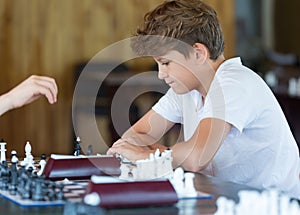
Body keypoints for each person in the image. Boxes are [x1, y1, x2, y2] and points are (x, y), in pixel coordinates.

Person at [107, 0, 300, 198]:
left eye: (165, 63)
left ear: (198, 53)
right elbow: (134, 136)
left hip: (276, 205)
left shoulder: (234, 83)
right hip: (227, 199)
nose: (161, 74)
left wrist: (149, 156)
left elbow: (197, 157)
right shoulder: (186, 89)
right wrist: (166, 153)